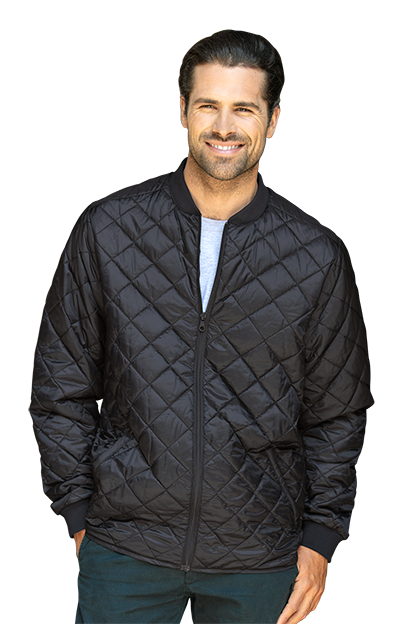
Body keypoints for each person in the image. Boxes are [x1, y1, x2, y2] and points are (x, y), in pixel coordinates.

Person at [29, 29, 374, 624]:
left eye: (244, 108)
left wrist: (321, 539)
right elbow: (60, 385)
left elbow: (337, 413)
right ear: (183, 110)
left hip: (259, 556)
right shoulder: (108, 230)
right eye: (208, 105)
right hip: (127, 548)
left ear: (272, 119)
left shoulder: (317, 256)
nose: (224, 126)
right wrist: (80, 513)